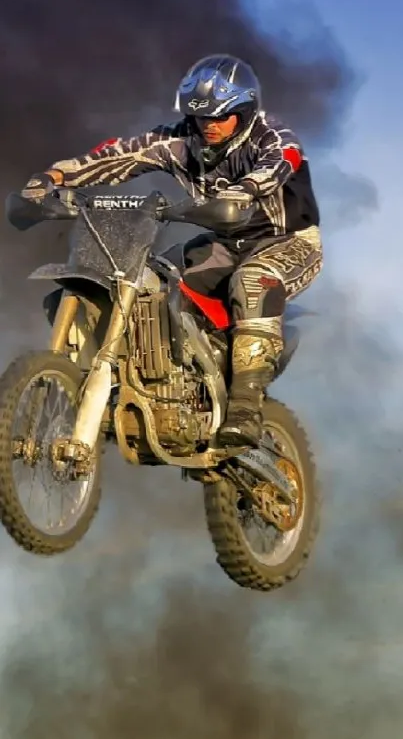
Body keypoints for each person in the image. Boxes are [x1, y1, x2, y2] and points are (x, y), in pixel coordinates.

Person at [21, 53, 323, 447]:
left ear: (245, 111)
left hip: (287, 243)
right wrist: (53, 177)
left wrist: (243, 191)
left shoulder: (274, 139)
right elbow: (119, 154)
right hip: (222, 243)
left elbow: (279, 165)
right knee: (151, 280)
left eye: (219, 116)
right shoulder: (179, 139)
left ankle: (245, 405)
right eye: (201, 116)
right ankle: (149, 381)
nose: (208, 125)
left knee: (251, 282)